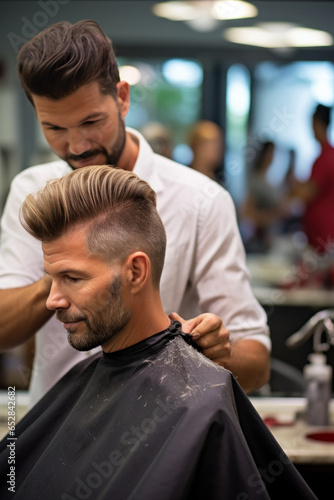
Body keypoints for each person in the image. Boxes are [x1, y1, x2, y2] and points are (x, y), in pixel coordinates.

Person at [0, 165, 316, 500]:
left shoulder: (198, 406)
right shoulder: (81, 380)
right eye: (51, 278)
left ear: (136, 271)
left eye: (73, 279)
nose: (51, 300)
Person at [0, 20, 270, 406]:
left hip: (157, 432)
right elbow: (4, 331)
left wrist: (220, 351)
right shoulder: (31, 191)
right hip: (56, 428)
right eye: (54, 127)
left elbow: (257, 364)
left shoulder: (201, 202)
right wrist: (69, 274)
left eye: (92, 122)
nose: (76, 146)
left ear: (122, 98)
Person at [291, 104, 334, 254]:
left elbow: (309, 192)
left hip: (324, 234)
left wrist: (293, 189)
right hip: (319, 234)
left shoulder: (326, 157)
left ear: (317, 124)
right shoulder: (324, 155)